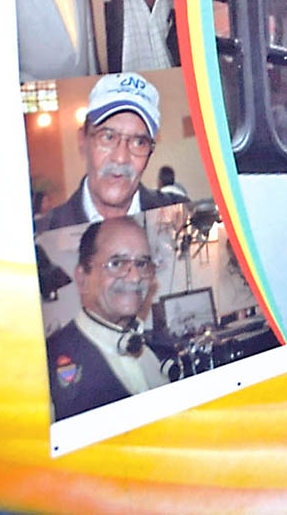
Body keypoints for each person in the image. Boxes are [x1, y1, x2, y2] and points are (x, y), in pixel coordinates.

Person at [45, 217, 167, 420]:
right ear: (82, 277)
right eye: (116, 263)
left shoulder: (152, 351)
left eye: (142, 263)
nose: (135, 277)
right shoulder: (46, 365)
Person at [45, 73, 170, 230]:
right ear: (83, 141)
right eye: (108, 137)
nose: (121, 158)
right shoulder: (44, 230)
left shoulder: (178, 214)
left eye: (139, 142)